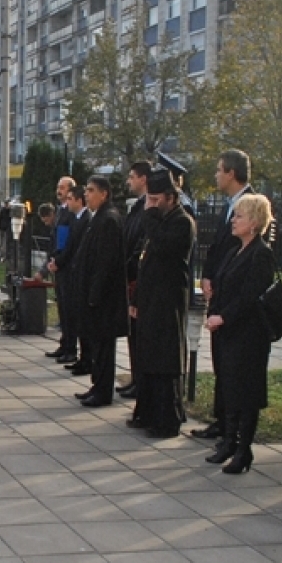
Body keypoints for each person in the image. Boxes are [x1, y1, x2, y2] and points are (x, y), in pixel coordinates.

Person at [203, 194, 275, 474]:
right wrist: (214, 311)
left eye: (239, 217)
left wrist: (225, 316)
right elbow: (224, 285)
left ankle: (244, 449)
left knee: (246, 392)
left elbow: (250, 296)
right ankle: (228, 442)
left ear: (255, 222)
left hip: (248, 336)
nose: (233, 221)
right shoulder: (236, 250)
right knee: (229, 388)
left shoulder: (261, 254)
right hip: (228, 334)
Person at [128, 169, 196, 438]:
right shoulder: (158, 219)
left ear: (170, 197)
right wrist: (136, 299)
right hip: (150, 298)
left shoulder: (181, 222)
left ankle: (168, 417)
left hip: (168, 300)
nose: (151, 205)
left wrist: (150, 216)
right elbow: (145, 259)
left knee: (165, 359)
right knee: (148, 356)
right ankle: (148, 411)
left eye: (155, 200)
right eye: (149, 200)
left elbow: (163, 247)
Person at [193, 149, 254, 441]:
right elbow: (216, 247)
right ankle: (221, 420)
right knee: (219, 361)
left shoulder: (252, 205)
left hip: (234, 301)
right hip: (218, 292)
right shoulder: (228, 205)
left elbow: (247, 257)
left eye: (219, 170)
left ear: (231, 173)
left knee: (233, 367)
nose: (216, 175)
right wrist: (207, 276)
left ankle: (234, 427)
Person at [74, 176, 128, 407]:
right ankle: (97, 385)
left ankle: (103, 391)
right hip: (92, 295)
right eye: (86, 190)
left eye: (91, 190)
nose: (86, 194)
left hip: (104, 299)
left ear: (104, 194)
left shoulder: (109, 220)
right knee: (96, 344)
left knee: (104, 346)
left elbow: (105, 263)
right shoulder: (97, 218)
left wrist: (95, 294)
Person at [119, 161, 153, 400]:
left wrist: (130, 267)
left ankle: (141, 381)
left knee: (141, 336)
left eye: (132, 177)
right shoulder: (138, 207)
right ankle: (135, 378)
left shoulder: (148, 209)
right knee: (134, 335)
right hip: (130, 276)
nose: (129, 181)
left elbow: (141, 244)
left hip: (138, 278)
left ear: (143, 179)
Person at [51, 185, 91, 374]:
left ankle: (75, 351)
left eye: (70, 198)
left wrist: (59, 261)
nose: (67, 202)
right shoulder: (73, 217)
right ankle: (67, 346)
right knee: (65, 310)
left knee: (73, 313)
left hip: (73, 271)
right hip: (65, 268)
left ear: (78, 200)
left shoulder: (85, 219)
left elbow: (74, 247)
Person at [45, 177, 77, 362]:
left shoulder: (71, 213)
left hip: (67, 267)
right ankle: (64, 343)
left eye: (62, 188)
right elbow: (54, 239)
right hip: (58, 265)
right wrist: (51, 260)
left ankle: (71, 348)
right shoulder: (60, 211)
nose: (59, 191)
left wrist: (58, 261)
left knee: (69, 309)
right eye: (58, 187)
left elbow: (69, 243)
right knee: (62, 308)